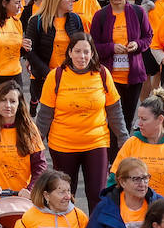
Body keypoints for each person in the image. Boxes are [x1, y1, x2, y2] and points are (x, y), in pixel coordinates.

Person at [37, 34, 128, 211]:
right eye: (77, 51)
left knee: (97, 195)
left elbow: (115, 111)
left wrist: (123, 137)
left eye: (86, 51)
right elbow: (44, 115)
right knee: (64, 196)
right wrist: (36, 144)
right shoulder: (56, 76)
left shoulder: (102, 73)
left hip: (96, 143)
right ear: (69, 52)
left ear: (92, 53)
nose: (82, 56)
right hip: (63, 145)